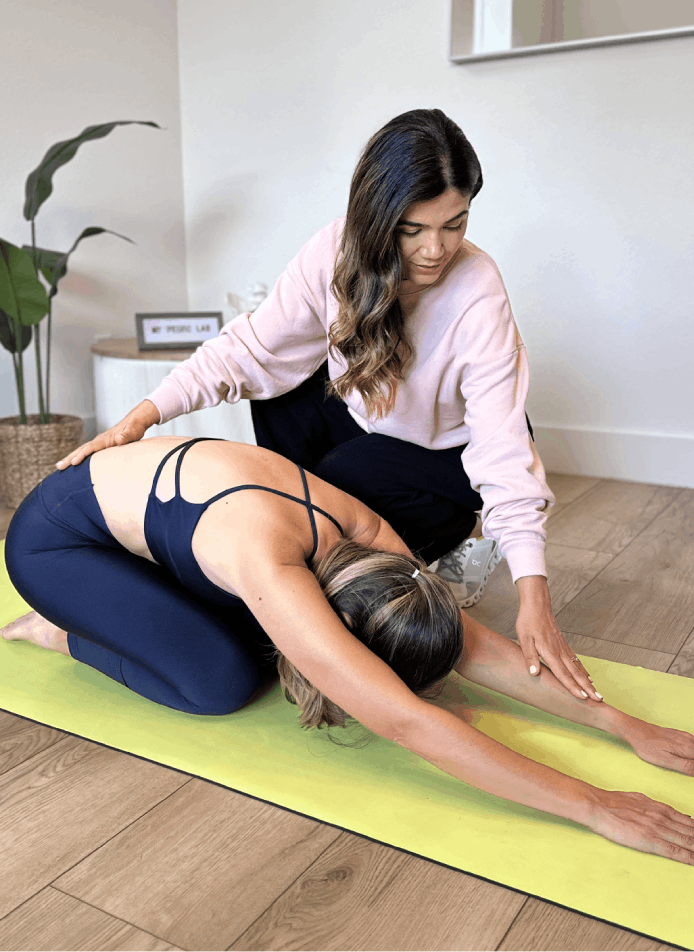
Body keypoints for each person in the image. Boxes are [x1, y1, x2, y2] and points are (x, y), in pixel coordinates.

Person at [6, 436, 694, 867]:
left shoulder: (370, 543)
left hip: (174, 530)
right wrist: (594, 806)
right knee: (220, 680)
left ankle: (145, 607)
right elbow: (403, 720)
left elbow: (473, 646)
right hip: (57, 541)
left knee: (260, 638)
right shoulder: (268, 562)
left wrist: (623, 726)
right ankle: (67, 628)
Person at [56, 108, 588, 700]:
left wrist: (534, 598)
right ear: (376, 215)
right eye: (413, 229)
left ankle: (441, 541)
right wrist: (140, 418)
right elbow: (247, 352)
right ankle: (311, 546)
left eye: (455, 224)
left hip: (447, 455)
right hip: (365, 418)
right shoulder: (335, 250)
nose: (436, 249)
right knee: (278, 401)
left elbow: (503, 450)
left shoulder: (477, 290)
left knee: (338, 486)